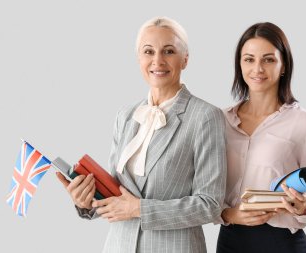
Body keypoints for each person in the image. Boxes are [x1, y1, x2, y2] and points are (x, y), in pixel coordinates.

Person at [57, 16, 226, 253]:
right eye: (148, 51)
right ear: (139, 59)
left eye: (169, 51)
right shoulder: (125, 115)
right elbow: (117, 197)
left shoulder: (206, 117)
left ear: (185, 59)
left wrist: (140, 209)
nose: (158, 60)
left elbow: (210, 205)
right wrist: (86, 202)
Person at [216, 22, 306, 253]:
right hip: (230, 240)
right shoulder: (219, 121)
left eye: (268, 59)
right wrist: (228, 213)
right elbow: (205, 190)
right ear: (239, 65)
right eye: (249, 59)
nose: (258, 69)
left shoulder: (305, 124)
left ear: (283, 64)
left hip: (282, 243)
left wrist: (304, 206)